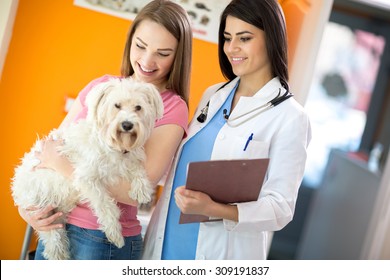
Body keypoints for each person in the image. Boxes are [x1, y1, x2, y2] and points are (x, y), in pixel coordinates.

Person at [17, 0, 192, 260]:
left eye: (162, 53)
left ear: (178, 56)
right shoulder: (99, 87)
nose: (146, 60)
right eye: (140, 46)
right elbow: (49, 151)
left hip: (102, 240)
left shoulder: (170, 107)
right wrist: (28, 210)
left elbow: (137, 192)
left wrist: (64, 166)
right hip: (56, 225)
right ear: (130, 40)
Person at [142, 0, 311, 260]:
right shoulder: (213, 95)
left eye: (244, 38)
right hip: (165, 244)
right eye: (227, 38)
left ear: (271, 39)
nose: (232, 48)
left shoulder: (290, 117)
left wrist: (215, 209)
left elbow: (281, 208)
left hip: (221, 254)